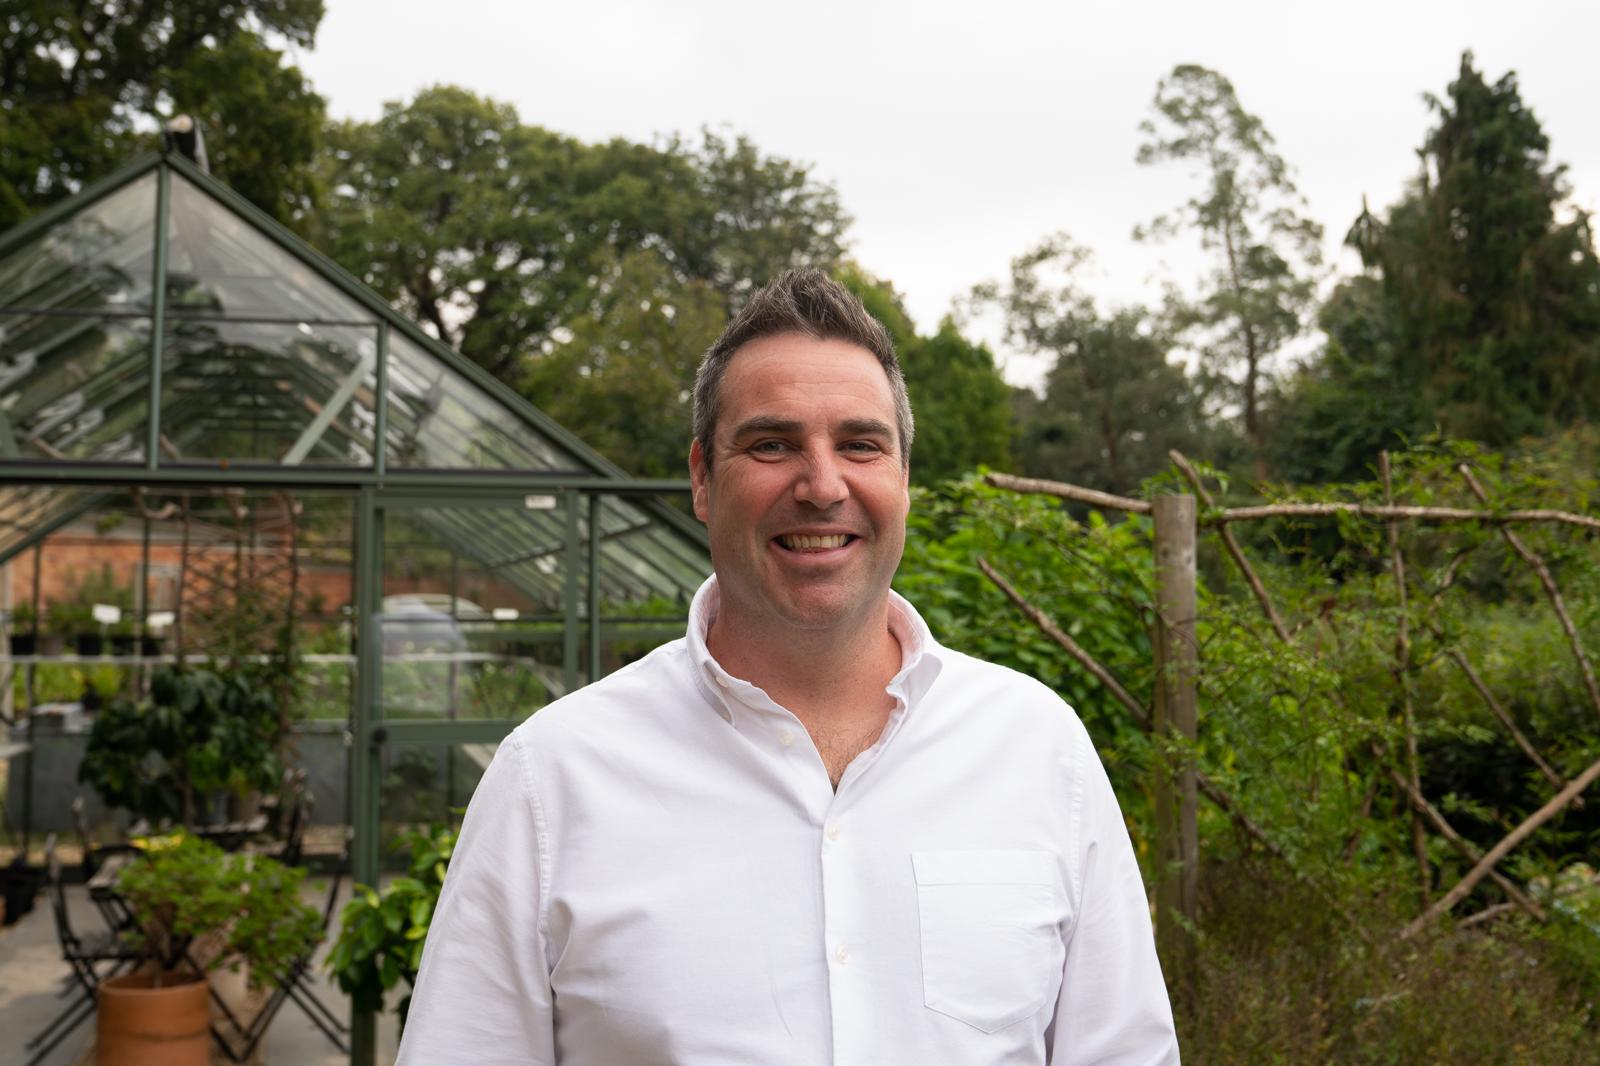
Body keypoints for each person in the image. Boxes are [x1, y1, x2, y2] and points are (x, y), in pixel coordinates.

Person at [397, 269, 1178, 1065]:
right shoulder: (552, 778)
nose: (822, 485)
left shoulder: (1038, 750)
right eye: (772, 444)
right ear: (703, 478)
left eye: (860, 445)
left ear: (903, 477)